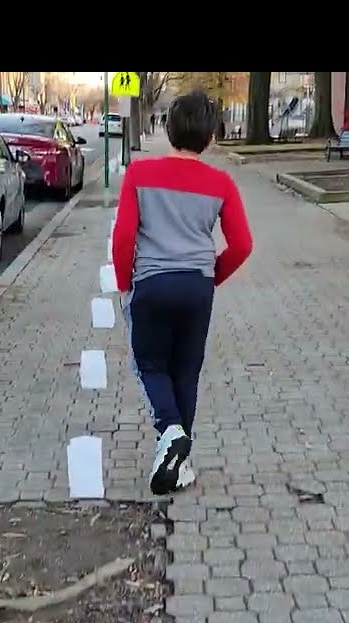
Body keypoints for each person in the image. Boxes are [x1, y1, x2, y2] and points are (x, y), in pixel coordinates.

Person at [111, 90, 254, 494]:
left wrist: (126, 284)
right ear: (210, 138)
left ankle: (170, 432)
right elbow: (242, 244)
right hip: (196, 287)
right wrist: (210, 277)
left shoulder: (140, 174)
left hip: (152, 284)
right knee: (186, 372)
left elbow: (123, 238)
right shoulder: (221, 183)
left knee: (150, 366)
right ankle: (181, 462)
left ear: (169, 131)